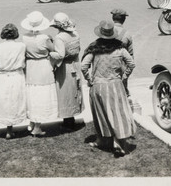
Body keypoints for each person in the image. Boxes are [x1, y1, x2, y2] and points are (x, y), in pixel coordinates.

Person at [81, 20, 136, 157]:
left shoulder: (94, 49)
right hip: (116, 85)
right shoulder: (120, 49)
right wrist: (123, 77)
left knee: (101, 115)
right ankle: (118, 143)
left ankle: (102, 140)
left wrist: (89, 79)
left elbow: (83, 66)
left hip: (98, 86)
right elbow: (131, 64)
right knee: (117, 113)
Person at [0, 24, 27, 140]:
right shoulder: (21, 46)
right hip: (17, 75)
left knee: (1, 102)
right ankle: (9, 130)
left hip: (2, 76)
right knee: (13, 102)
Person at [21, 11, 59, 136]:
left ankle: (32, 121)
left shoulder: (24, 37)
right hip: (43, 65)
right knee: (42, 95)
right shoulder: (44, 38)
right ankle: (37, 126)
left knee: (32, 93)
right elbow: (53, 50)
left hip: (31, 66)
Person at [50, 13, 83, 130]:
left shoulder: (60, 38)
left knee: (65, 92)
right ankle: (72, 117)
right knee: (74, 90)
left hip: (65, 67)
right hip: (75, 63)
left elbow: (60, 55)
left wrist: (50, 52)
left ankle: (68, 121)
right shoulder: (75, 34)